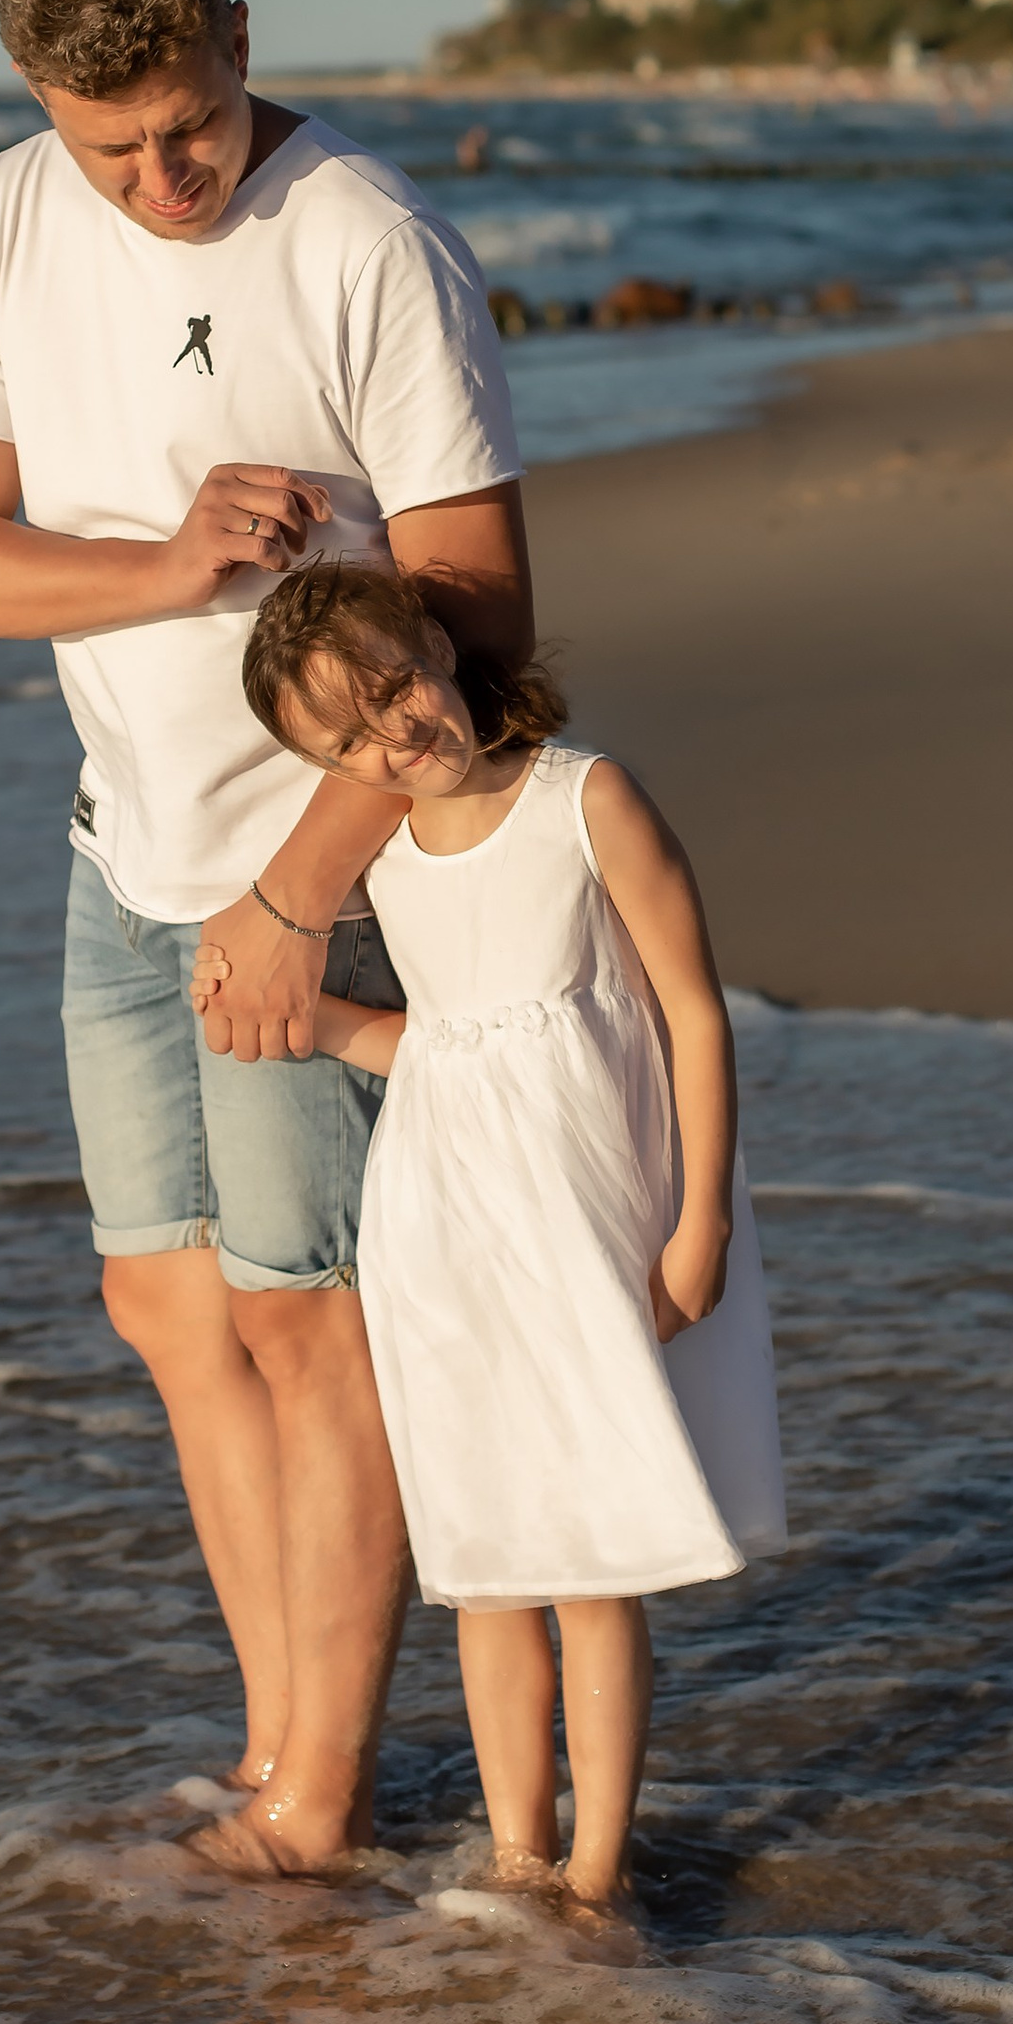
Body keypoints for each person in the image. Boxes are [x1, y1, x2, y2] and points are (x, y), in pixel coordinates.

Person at [0, 0, 532, 1880]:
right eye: (111, 147)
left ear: (239, 38)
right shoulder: (9, 216)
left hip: (312, 873)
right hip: (124, 860)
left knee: (305, 1324)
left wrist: (293, 887)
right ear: (34, 106)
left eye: (184, 125)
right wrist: (165, 566)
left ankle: (316, 1810)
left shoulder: (363, 244)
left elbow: (483, 614)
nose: (160, 179)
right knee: (168, 1310)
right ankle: (275, 1754)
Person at [219, 555, 787, 1917]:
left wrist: (698, 1218)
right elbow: (446, 1045)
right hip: (445, 1228)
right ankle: (518, 1860)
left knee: (586, 1560)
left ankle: (596, 1876)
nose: (394, 736)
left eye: (394, 687)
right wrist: (303, 1024)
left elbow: (693, 1014)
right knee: (485, 1564)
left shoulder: (583, 799)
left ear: (433, 640)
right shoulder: (394, 862)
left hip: (585, 1222)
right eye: (349, 739)